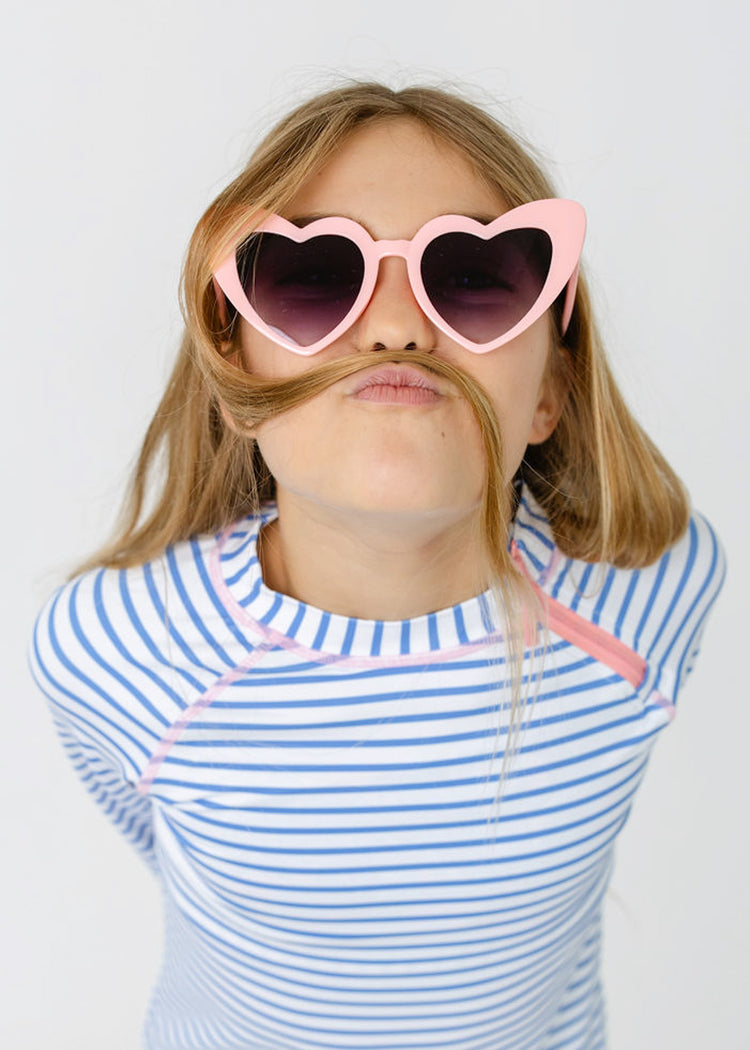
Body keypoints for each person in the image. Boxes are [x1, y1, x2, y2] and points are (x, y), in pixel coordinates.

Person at [30, 83, 724, 1050]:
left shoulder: (654, 591)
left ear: (550, 392)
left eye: (473, 275)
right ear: (236, 380)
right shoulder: (113, 647)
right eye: (313, 277)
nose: (396, 327)